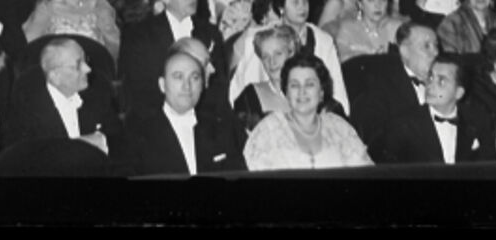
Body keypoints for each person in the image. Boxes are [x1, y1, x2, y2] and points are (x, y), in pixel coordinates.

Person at [122, 45, 244, 175]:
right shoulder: (137, 134)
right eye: (178, 77)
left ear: (202, 85)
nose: (187, 86)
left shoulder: (221, 129)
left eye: (194, 77)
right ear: (162, 85)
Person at [241, 54, 370, 170]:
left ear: (321, 92)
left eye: (309, 84)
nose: (302, 91)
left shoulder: (340, 128)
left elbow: (366, 174)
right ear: (286, 93)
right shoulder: (267, 131)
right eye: (294, 85)